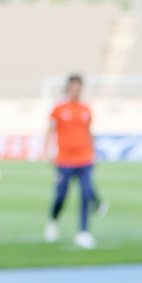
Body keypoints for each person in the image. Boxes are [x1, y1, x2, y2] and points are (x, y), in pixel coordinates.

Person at [43, 74, 105, 249]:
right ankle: (53, 221)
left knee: (85, 194)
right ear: (68, 88)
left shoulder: (86, 109)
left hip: (84, 159)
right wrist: (48, 151)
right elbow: (50, 130)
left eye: (79, 87)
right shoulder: (59, 108)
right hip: (64, 160)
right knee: (61, 196)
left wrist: (93, 154)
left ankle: (83, 232)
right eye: (73, 87)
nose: (76, 90)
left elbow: (89, 132)